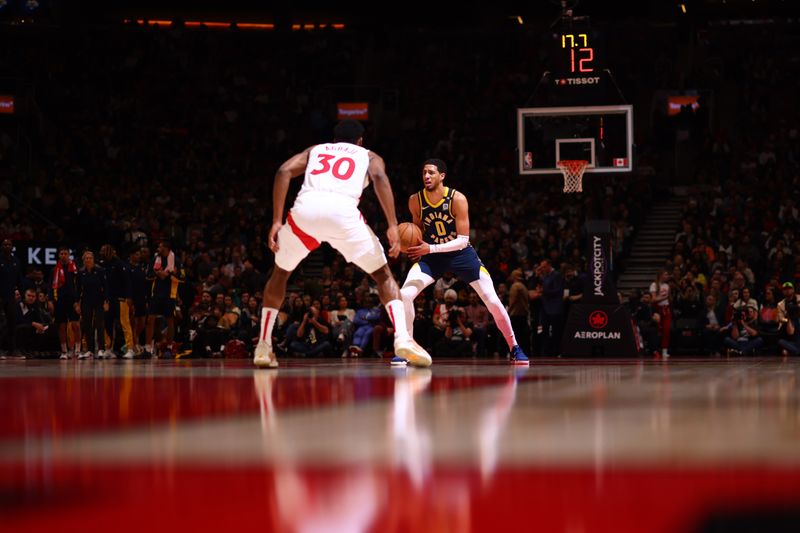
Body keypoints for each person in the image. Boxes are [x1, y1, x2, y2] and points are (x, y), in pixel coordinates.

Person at [253, 119, 430, 368]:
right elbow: (379, 177)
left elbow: (283, 171)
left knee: (280, 273)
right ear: (360, 141)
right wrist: (391, 224)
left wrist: (275, 220)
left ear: (333, 140)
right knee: (382, 274)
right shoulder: (368, 155)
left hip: (305, 213)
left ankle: (263, 346)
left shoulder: (315, 150)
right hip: (341, 215)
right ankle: (402, 337)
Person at [397, 159, 529, 365]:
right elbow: (418, 232)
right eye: (424, 173)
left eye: (431, 172)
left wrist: (429, 248)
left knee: (492, 301)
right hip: (432, 256)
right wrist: (408, 244)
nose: (426, 176)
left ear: (442, 176)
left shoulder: (457, 199)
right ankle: (406, 347)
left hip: (460, 254)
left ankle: (514, 346)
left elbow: (463, 240)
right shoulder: (415, 200)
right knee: (404, 294)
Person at [52, 246, 82, 359]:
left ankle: (78, 350)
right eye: (62, 254)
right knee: (62, 326)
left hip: (72, 301)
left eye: (65, 253)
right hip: (59, 300)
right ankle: (64, 351)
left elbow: (79, 286)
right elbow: (51, 286)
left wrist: (78, 301)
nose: (63, 255)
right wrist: (50, 300)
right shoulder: (54, 270)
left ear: (69, 255)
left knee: (76, 325)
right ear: (59, 255)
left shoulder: (75, 269)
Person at [0, 238, 22, 356]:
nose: (7, 246)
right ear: (2, 246)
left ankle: (12, 350)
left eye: (9, 244)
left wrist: (21, 293)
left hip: (10, 297)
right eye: (5, 244)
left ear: (12, 247)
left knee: (12, 323)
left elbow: (19, 279)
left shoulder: (16, 261)